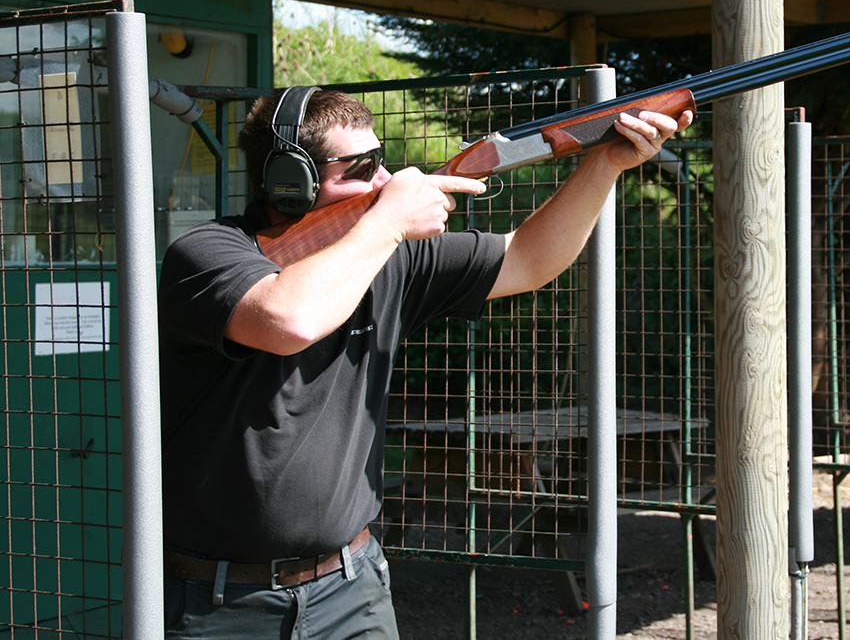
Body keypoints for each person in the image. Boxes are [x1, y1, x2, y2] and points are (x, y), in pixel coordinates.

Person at [157, 87, 691, 639]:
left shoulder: (390, 252)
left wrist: (603, 165)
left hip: (349, 587)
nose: (386, 179)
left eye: (380, 159)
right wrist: (387, 223)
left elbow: (529, 259)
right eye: (361, 168)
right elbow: (288, 320)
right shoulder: (207, 254)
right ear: (289, 181)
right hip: (219, 600)